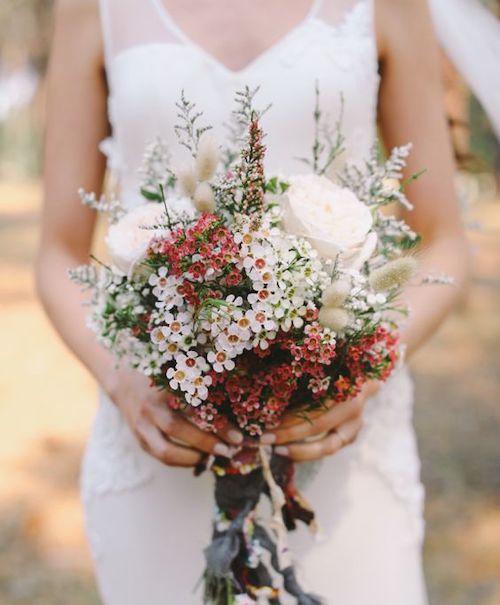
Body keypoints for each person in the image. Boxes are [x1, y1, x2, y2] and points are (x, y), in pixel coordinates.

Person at [36, 0, 470, 603]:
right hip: (164, 438)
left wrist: (359, 376)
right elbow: (57, 254)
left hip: (341, 453)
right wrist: (124, 381)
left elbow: (445, 243)